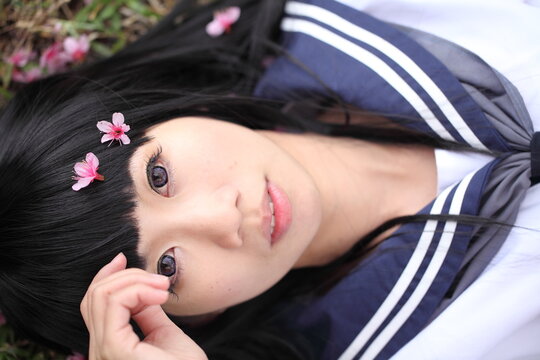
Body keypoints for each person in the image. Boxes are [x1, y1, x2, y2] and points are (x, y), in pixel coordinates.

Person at [1, 0, 539, 359]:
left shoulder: (348, 16)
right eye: (168, 266)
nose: (223, 218)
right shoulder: (425, 345)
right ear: (196, 319)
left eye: (158, 175)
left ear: (156, 116)